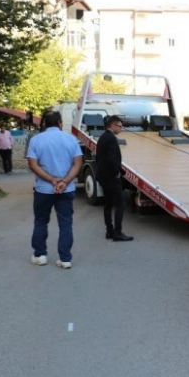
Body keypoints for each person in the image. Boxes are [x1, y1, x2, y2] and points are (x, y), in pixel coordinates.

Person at [26, 111, 83, 269]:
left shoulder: (36, 140)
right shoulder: (71, 139)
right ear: (60, 122)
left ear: (44, 123)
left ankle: (40, 255)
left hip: (43, 190)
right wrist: (64, 181)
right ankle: (65, 259)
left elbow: (32, 164)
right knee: (65, 224)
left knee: (41, 221)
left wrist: (51, 180)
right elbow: (77, 163)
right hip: (66, 189)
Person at [96, 115, 134, 242]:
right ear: (112, 125)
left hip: (103, 177)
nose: (121, 128)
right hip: (111, 177)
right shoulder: (111, 139)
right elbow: (112, 158)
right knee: (120, 204)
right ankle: (117, 232)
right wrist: (117, 172)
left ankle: (109, 230)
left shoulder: (102, 137)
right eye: (120, 126)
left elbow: (100, 158)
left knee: (108, 204)